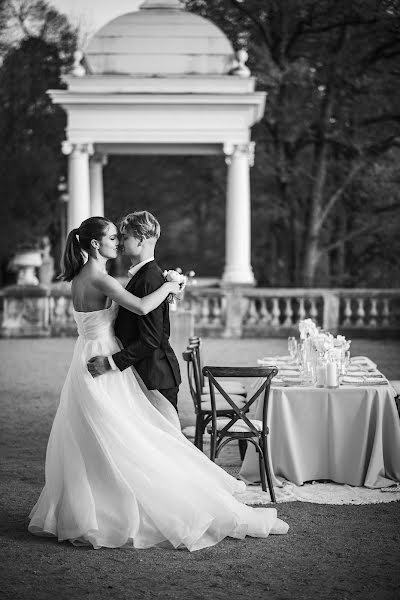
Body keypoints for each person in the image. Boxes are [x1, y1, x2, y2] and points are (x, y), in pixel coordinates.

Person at [28, 216, 288, 551]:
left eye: (120, 237)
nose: (118, 242)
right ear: (95, 245)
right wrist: (168, 286)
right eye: (111, 237)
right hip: (104, 359)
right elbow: (137, 306)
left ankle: (96, 509)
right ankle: (148, 507)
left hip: (86, 356)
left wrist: (165, 285)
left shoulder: (81, 276)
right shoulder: (100, 277)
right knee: (136, 436)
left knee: (101, 436)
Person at [87, 211, 181, 412]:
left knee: (160, 441)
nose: (120, 243)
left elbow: (151, 339)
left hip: (155, 377)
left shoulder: (149, 280)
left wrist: (110, 363)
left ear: (141, 240)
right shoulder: (145, 276)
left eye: (125, 237)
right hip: (148, 373)